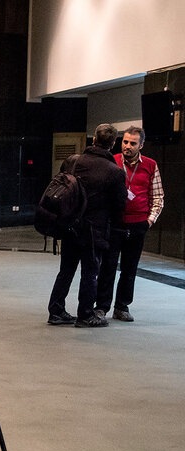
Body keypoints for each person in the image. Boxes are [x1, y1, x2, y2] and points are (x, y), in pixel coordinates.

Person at [47, 123, 126, 327]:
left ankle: (56, 311)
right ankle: (85, 314)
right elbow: (120, 204)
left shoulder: (72, 161)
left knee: (66, 270)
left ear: (93, 140)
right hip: (95, 229)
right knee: (90, 272)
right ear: (113, 144)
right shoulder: (115, 172)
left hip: (70, 224)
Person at [95, 126, 163, 322]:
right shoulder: (112, 161)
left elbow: (158, 196)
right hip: (115, 224)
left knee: (129, 268)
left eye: (133, 143)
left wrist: (149, 221)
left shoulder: (150, 165)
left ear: (141, 145)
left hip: (138, 225)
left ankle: (122, 307)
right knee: (107, 267)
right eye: (125, 142)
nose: (128, 146)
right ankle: (101, 307)